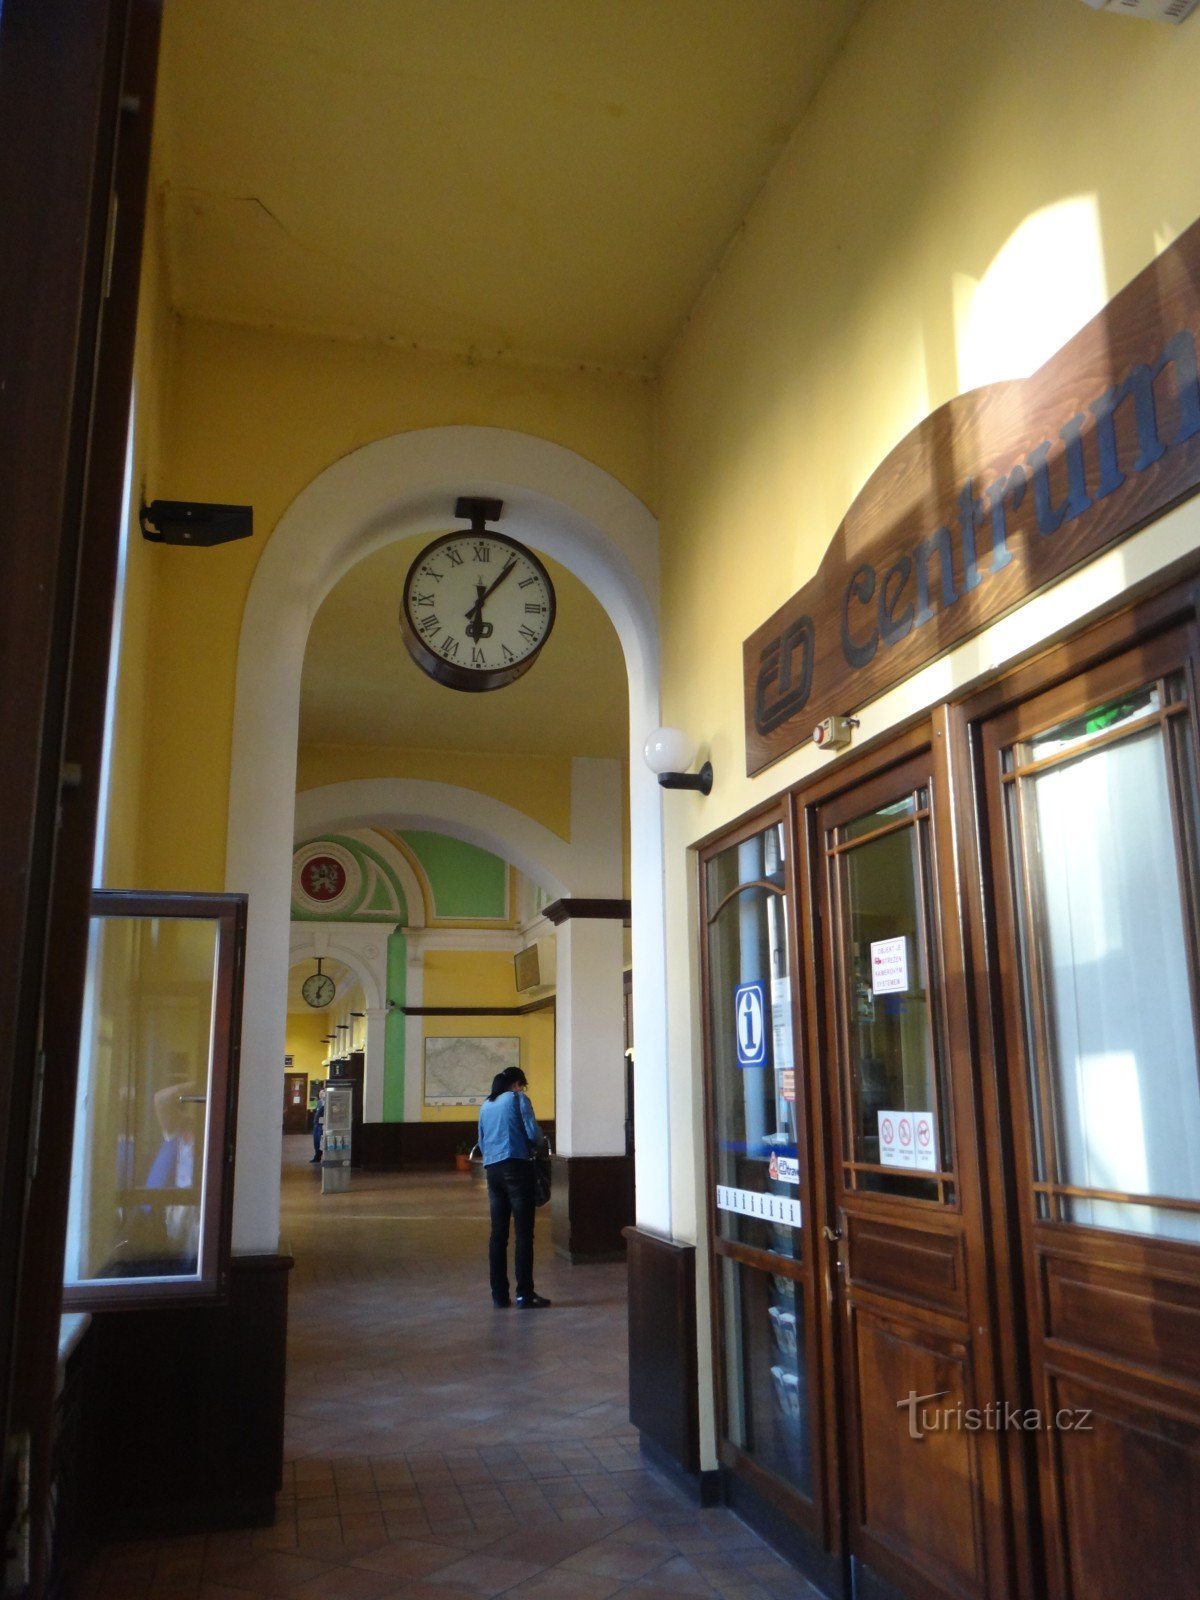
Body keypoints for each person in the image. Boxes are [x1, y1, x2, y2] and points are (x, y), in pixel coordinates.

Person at [477, 1066, 550, 1308]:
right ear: (517, 1084)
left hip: (493, 1170)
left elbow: (481, 1140)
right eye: (522, 1085)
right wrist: (540, 1141)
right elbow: (532, 1133)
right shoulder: (518, 1099)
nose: (522, 1089)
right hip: (516, 1168)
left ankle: (499, 1295)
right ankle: (524, 1294)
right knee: (523, 1234)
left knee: (498, 1235)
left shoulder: (486, 1105)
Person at [311, 1086, 326, 1164]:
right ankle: (316, 1156)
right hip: (316, 1124)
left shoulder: (327, 1103)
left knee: (320, 1141)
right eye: (320, 1093)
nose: (321, 1094)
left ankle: (318, 1156)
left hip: (321, 1125)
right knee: (316, 1141)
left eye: (323, 1093)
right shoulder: (319, 1102)